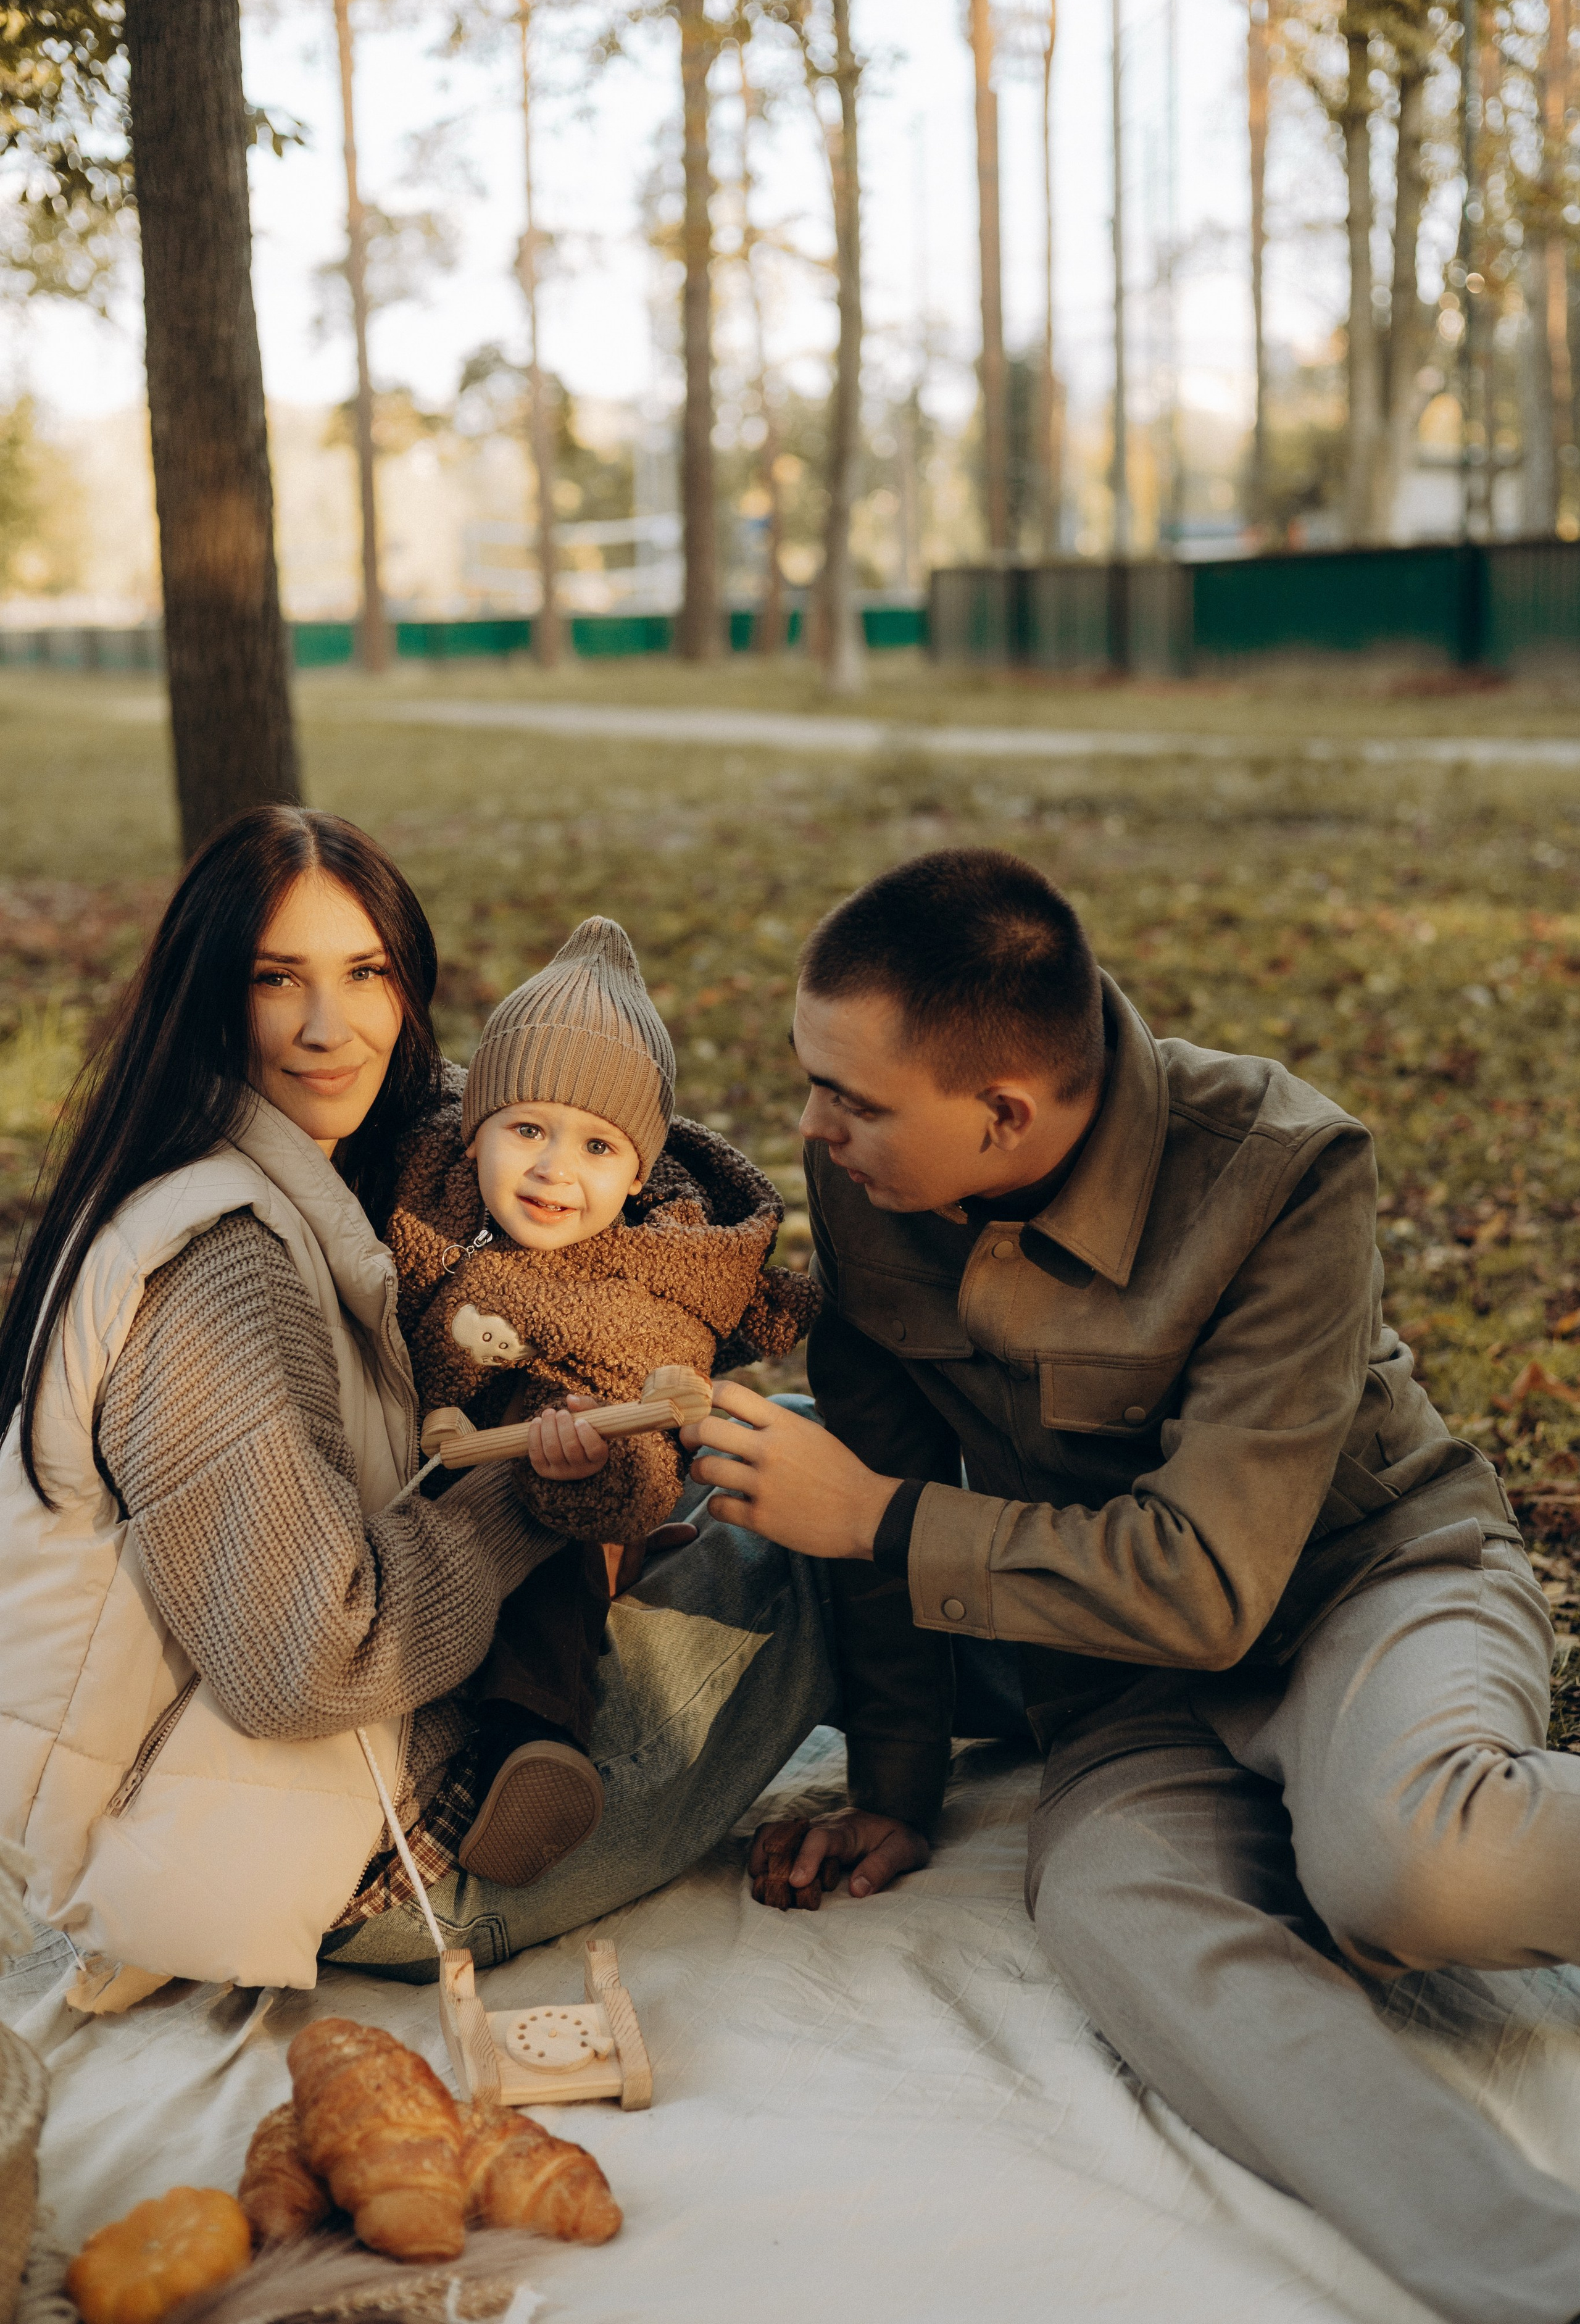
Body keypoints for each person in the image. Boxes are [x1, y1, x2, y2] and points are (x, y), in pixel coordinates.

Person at [683, 846, 1580, 2324]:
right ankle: (1528, 2271)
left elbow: (1206, 1582)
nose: (811, 1128)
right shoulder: (869, 1188)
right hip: (1106, 1680)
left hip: (1364, 1589)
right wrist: (896, 1785)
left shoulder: (1279, 1168)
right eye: (809, 1082)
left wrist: (888, 1522)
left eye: (849, 1098)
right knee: (1109, 1908)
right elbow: (878, 1472)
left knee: (1408, 1866)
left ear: (1003, 1114)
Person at [0, 805, 833, 2006]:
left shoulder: (277, 1159)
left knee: (743, 1451)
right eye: (276, 980)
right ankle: (1083, 1721)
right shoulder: (218, 1276)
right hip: (362, 1863)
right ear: (205, 997)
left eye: (366, 974)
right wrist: (525, 1494)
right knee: (801, 1501)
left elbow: (509, 1099)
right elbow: (306, 1665)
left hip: (243, 1806)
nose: (331, 1029)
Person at [386, 914, 815, 1889]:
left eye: (595, 1147)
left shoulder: (645, 1289)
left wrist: (594, 1473)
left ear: (636, 1174)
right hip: (414, 1471)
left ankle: (528, 1749)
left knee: (549, 1587)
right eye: (526, 1129)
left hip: (554, 1508)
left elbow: (646, 1477)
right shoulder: (427, 1199)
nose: (552, 1170)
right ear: (474, 1131)